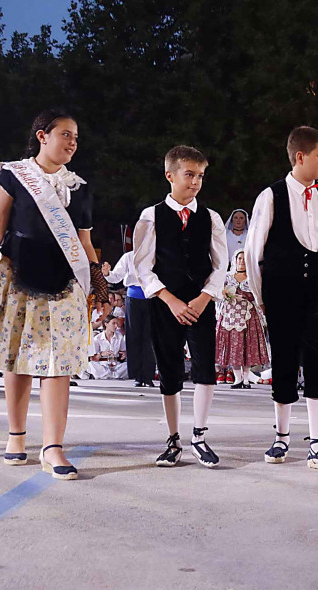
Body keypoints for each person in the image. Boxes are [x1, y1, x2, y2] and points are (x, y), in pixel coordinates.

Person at [0, 110, 107, 479]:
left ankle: (52, 446)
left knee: (59, 364)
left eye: (76, 137)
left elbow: (85, 242)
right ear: (42, 136)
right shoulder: (12, 176)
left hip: (65, 283)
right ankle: (16, 435)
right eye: (65, 134)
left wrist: (100, 285)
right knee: (17, 358)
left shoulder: (79, 186)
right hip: (18, 277)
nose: (73, 142)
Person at [245, 126, 318, 473]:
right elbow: (253, 251)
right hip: (280, 290)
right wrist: (262, 297)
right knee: (284, 360)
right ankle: (282, 437)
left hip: (316, 289)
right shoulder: (270, 196)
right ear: (300, 156)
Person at [133, 145, 228, 468]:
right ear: (170, 175)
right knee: (169, 369)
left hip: (201, 303)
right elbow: (142, 265)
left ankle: (199, 436)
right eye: (189, 175)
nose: (195, 182)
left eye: (200, 175)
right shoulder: (151, 216)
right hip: (165, 304)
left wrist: (204, 298)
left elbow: (221, 264)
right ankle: (173, 440)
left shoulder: (211, 218)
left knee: (205, 369)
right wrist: (169, 299)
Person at [216, 249, 269, 388]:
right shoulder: (227, 276)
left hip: (248, 315)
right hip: (230, 316)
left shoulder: (252, 277)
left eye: (245, 259)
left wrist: (247, 296)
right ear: (235, 260)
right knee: (233, 346)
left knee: (247, 346)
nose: (242, 261)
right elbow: (219, 292)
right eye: (240, 258)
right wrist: (226, 294)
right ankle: (237, 378)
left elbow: (258, 294)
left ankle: (246, 379)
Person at [104, 250, 155, 386]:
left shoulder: (156, 254)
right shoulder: (129, 256)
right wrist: (107, 273)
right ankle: (137, 376)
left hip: (153, 296)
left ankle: (148, 376)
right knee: (134, 336)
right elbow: (116, 276)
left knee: (149, 337)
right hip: (133, 297)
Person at [87, 315, 128, 379]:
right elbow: (93, 358)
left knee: (128, 365)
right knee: (91, 364)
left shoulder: (119, 336)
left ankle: (107, 376)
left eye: (117, 324)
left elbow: (123, 352)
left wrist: (124, 354)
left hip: (116, 365)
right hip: (103, 365)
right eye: (113, 323)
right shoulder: (97, 338)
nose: (116, 326)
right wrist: (102, 354)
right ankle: (112, 375)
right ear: (106, 324)